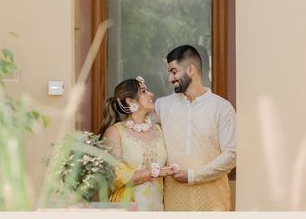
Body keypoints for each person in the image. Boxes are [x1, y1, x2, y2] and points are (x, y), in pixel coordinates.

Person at [155, 45, 237, 211]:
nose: (170, 78)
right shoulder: (162, 106)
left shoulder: (222, 108)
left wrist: (192, 175)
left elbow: (231, 155)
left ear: (190, 70)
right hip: (173, 203)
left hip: (213, 203)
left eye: (174, 71)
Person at [99, 76, 174, 211]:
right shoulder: (115, 132)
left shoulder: (158, 129)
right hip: (127, 209)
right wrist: (155, 172)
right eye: (144, 91)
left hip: (157, 208)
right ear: (130, 101)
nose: (151, 94)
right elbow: (115, 176)